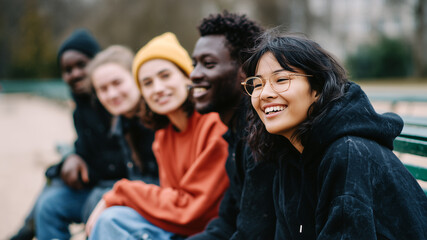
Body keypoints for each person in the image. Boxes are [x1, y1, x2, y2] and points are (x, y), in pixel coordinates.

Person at [241, 30, 427, 239]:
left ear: (318, 88)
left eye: (281, 79)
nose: (265, 93)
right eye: (257, 84)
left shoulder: (348, 154)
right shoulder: (289, 156)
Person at [10, 29, 158, 240]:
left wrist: (110, 194)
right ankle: (28, 228)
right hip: (105, 185)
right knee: (50, 202)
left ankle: (26, 230)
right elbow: (85, 150)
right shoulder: (83, 110)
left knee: (96, 203)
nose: (76, 73)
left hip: (123, 189)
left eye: (82, 65)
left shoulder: (128, 110)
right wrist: (70, 158)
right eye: (67, 70)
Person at [85, 32, 229, 239]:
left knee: (110, 218)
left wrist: (119, 193)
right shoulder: (164, 134)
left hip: (210, 229)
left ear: (187, 75)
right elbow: (170, 199)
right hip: (180, 225)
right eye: (148, 83)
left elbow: (192, 208)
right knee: (110, 219)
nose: (158, 89)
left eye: (165, 76)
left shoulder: (213, 124)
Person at [188, 11, 276, 239]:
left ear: (245, 71)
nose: (194, 74)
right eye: (194, 64)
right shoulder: (236, 133)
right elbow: (228, 221)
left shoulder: (262, 135)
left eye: (208, 64)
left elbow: (254, 233)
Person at [86, 45, 159, 184]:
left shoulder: (161, 120)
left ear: (136, 78)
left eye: (117, 83)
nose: (112, 94)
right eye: (103, 89)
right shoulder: (121, 124)